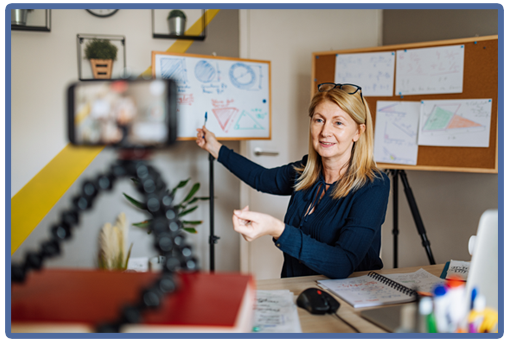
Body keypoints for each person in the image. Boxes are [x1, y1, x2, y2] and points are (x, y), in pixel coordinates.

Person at [196, 83, 390, 279]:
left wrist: (277, 229)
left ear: (358, 131)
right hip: (299, 290)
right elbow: (261, 179)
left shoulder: (373, 185)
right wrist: (215, 147)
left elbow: (342, 263)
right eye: (319, 120)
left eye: (338, 123)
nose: (324, 131)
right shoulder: (306, 170)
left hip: (349, 298)